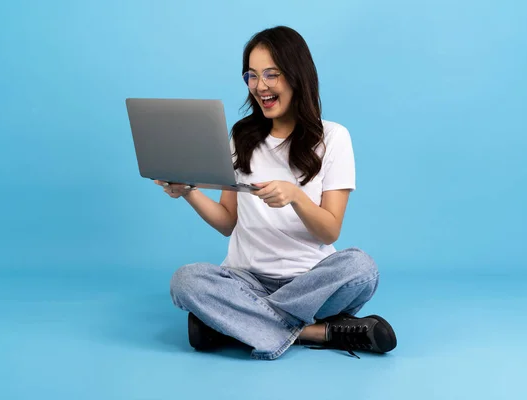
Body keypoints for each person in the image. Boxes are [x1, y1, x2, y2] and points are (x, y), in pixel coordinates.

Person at [155, 26, 397, 360]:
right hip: (246, 279)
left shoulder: (334, 138)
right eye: (252, 75)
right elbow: (228, 222)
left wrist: (295, 197)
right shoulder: (241, 137)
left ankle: (232, 323)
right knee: (185, 281)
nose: (260, 86)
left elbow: (330, 229)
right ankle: (316, 332)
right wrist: (188, 192)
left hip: (311, 283)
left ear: (297, 76)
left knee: (362, 269)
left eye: (272, 74)